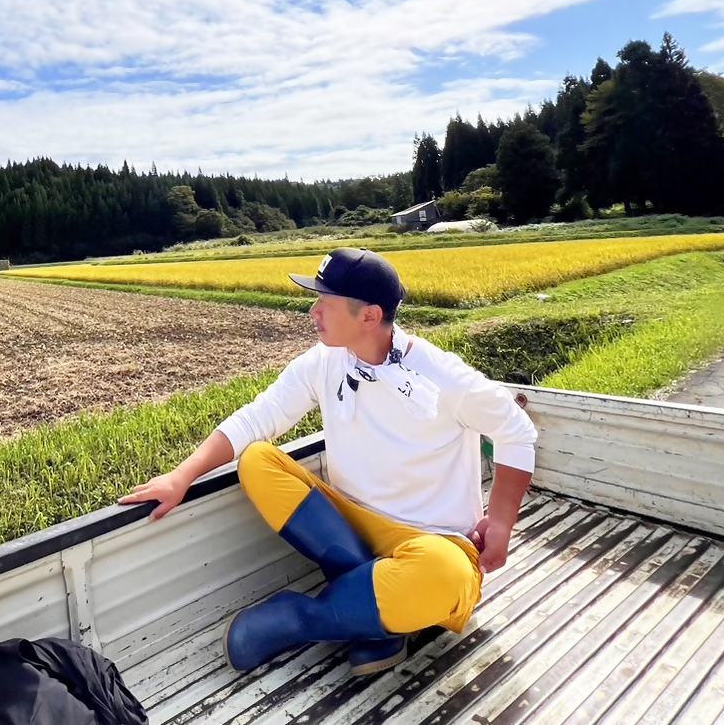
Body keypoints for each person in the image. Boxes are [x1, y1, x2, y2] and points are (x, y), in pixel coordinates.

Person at [119, 248, 537, 676]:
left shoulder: (444, 377)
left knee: (448, 578)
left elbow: (517, 432)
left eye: (326, 302)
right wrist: (181, 475)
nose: (313, 311)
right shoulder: (325, 361)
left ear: (370, 317)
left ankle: (304, 618)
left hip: (432, 542)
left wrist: (502, 523)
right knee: (257, 459)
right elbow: (260, 416)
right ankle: (372, 612)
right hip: (351, 523)